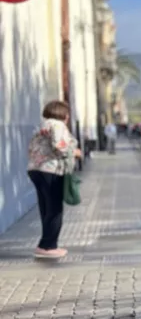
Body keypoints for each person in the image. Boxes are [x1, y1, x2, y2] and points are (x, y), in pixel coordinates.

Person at [26, 101, 80, 260]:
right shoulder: (57, 125)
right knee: (55, 209)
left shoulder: (42, 126)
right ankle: (48, 246)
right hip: (51, 169)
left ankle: (45, 244)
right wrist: (74, 152)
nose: (68, 117)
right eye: (67, 114)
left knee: (45, 208)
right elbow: (59, 145)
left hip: (35, 169)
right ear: (63, 114)